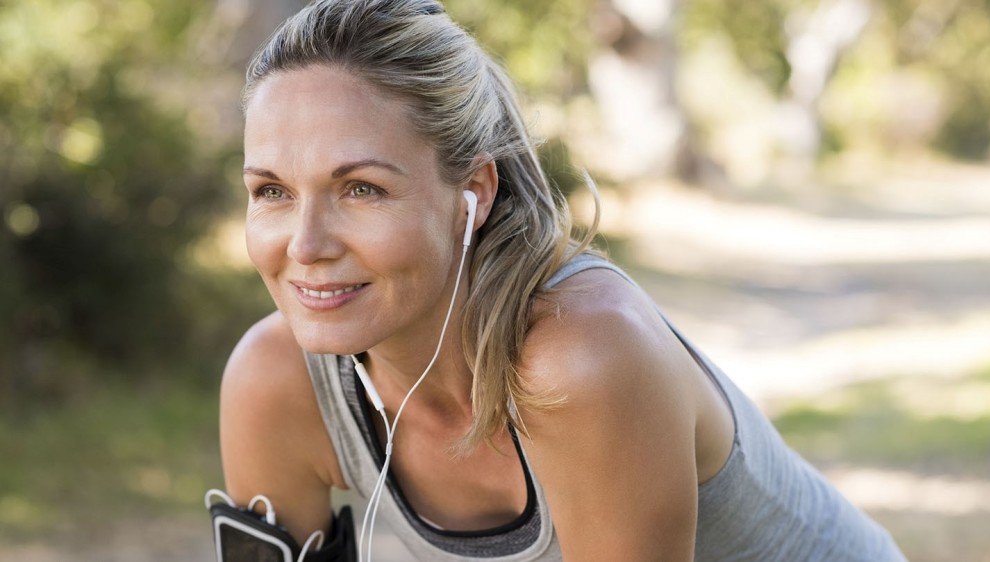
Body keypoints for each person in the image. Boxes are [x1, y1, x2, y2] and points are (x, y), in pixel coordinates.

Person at [217, 0, 908, 560]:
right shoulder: (275, 382)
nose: (304, 246)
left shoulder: (580, 359)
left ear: (475, 192)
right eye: (272, 192)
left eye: (361, 189)